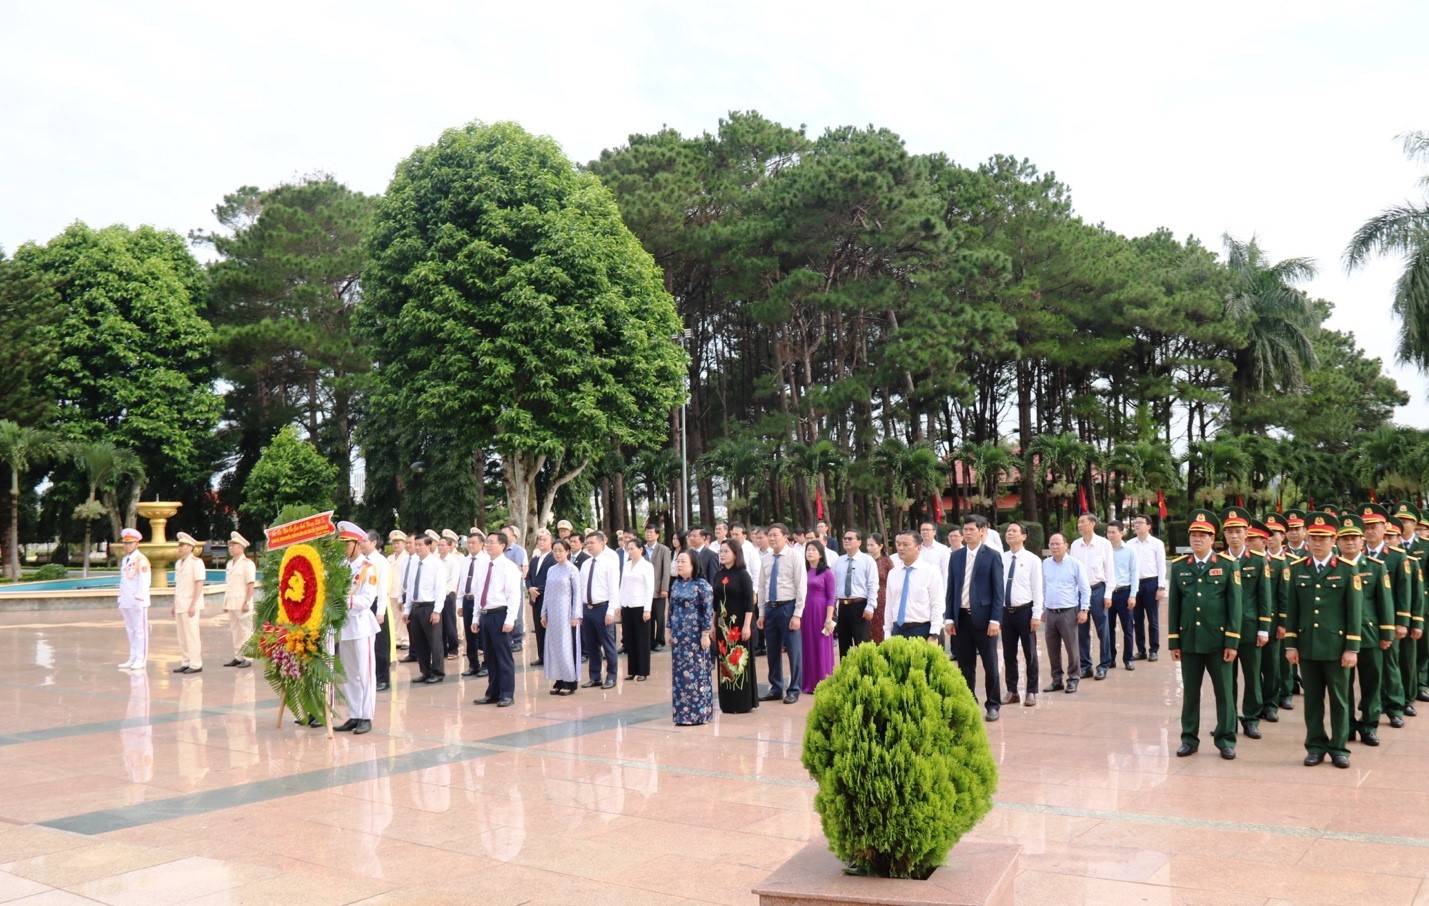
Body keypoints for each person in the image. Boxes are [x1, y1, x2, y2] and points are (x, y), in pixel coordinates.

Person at [1284, 511, 1363, 768]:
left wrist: (1351, 648)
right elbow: (1292, 611)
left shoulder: (1347, 569)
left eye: (1324, 538)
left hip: (1336, 648)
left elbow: (1354, 612)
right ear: (1308, 539)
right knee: (1312, 701)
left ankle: (1339, 747)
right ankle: (1315, 745)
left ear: (1334, 540)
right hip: (1308, 647)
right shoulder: (1297, 570)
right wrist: (1291, 644)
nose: (1318, 543)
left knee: (1340, 701)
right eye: (1314, 538)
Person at [1168, 509, 1242, 760]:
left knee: (1224, 694)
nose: (1197, 539)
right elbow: (1174, 607)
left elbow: (1235, 606)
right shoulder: (1180, 568)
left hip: (1218, 642)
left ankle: (1225, 739)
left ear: (1213, 539)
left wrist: (1232, 641)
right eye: (1194, 535)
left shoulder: (1227, 565)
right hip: (1190, 641)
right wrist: (1174, 641)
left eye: (1203, 535)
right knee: (1190, 693)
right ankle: (1189, 738)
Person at [1335, 513, 1393, 747]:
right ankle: (1347, 725)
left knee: (1372, 682)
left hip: (1369, 634)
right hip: (1339, 636)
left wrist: (1387, 633)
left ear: (1362, 542)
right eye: (1345, 538)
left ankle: (1369, 725)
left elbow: (1384, 603)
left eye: (1354, 538)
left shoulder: (1376, 567)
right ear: (1338, 542)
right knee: (1343, 685)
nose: (1350, 542)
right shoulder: (1333, 567)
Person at [945, 514, 1004, 721]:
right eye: (965, 529)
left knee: (990, 664)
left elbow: (999, 592)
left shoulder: (992, 555)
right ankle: (969, 702)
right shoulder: (956, 556)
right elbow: (951, 588)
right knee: (965, 665)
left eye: (972, 529)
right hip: (961, 619)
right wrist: (949, 618)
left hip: (985, 620)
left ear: (982, 531)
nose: (967, 533)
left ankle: (993, 704)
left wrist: (996, 620)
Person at [1221, 507, 1273, 741]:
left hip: (1251, 628)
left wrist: (1264, 628)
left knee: (1252, 676)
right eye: (1230, 531)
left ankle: (1251, 719)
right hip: (1223, 630)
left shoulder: (1260, 561)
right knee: (1226, 678)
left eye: (1238, 531)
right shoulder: (1218, 561)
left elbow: (1265, 597)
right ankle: (1229, 719)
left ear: (1246, 534)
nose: (1234, 536)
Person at [336, 521, 379, 734]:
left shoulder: (368, 568)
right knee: (350, 674)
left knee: (366, 673)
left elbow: (367, 600)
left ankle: (366, 716)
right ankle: (354, 714)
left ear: (356, 544)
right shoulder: (342, 567)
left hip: (362, 626)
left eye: (346, 543)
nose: (343, 547)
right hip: (345, 627)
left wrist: (341, 601)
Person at [471, 531, 522, 707]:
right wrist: (475, 618)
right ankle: (492, 692)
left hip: (500, 615)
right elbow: (478, 593)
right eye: (487, 542)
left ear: (503, 545)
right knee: (490, 657)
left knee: (503, 657)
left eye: (492, 542)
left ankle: (507, 693)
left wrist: (510, 620)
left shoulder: (508, 567)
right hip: (485, 615)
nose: (488, 545)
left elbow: (514, 596)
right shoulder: (483, 565)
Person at [759, 523, 808, 704]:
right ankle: (776, 687)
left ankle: (794, 688)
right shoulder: (766, 558)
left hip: (788, 607)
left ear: (785, 537)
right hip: (770, 608)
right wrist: (762, 613)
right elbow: (763, 587)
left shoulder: (795, 557)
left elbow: (801, 586)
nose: (771, 538)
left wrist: (797, 614)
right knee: (772, 650)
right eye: (769, 535)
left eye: (774, 535)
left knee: (794, 651)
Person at [1001, 521, 1043, 707]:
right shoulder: (1001, 558)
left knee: (1030, 654)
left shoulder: (1032, 559)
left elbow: (1037, 589)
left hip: (1025, 612)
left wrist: (1036, 615)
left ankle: (1031, 691)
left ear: (1024, 536)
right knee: (1009, 654)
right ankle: (1012, 691)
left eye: (1014, 531)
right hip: (1005, 613)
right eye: (1008, 531)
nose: (1009, 533)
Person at [669, 550, 714, 726]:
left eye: (683, 562)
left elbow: (708, 611)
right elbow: (671, 609)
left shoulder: (702, 585)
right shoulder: (675, 584)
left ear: (693, 564)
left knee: (697, 675)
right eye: (678, 561)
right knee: (680, 675)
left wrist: (705, 634)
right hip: (679, 636)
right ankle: (681, 715)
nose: (679, 565)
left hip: (695, 636)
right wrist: (669, 631)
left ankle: (699, 714)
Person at [714, 539, 758, 713]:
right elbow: (715, 603)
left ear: (735, 553)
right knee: (724, 661)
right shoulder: (718, 575)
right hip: (723, 626)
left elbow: (749, 603)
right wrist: (712, 625)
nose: (722, 554)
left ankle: (742, 702)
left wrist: (747, 625)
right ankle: (727, 702)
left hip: (738, 625)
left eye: (726, 551)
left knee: (739, 661)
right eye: (721, 551)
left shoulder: (743, 575)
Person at [1042, 533, 1090, 694]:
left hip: (1068, 612)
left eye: (1058, 544)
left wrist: (1084, 610)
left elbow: (1084, 589)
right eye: (1052, 544)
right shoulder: (1046, 564)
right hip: (1050, 612)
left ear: (1066, 545)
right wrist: (1042, 609)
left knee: (1072, 648)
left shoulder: (1075, 564)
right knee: (1052, 649)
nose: (1054, 547)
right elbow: (1043, 587)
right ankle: (1057, 680)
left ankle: (1073, 679)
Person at [1070, 513, 1116, 680]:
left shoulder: (1104, 544)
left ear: (1092, 524)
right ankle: (1085, 665)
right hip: (1080, 593)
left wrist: (1108, 594)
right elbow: (1072, 571)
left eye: (1082, 522)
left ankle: (1104, 664)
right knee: (1081, 631)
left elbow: (1110, 570)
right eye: (1078, 522)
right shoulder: (1075, 545)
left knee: (1102, 629)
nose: (1079, 525)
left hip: (1098, 590)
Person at [882, 530, 944, 642]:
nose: (900, 548)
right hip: (897, 630)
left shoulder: (930, 571)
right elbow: (890, 605)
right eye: (899, 544)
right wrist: (887, 632)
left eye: (906, 545)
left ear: (918, 548)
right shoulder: (893, 573)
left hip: (922, 630)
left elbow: (937, 604)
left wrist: (934, 634)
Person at [579, 531, 621, 690]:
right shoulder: (585, 564)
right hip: (587, 609)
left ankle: (611, 676)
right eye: (587, 543)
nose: (589, 545)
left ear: (602, 543)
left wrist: (611, 611)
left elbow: (613, 589)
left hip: (602, 608)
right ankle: (595, 676)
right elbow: (582, 588)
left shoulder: (609, 563)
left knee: (608, 644)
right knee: (591, 645)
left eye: (592, 543)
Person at [540, 539, 583, 694]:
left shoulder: (572, 570)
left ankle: (569, 682)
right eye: (555, 550)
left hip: (566, 615)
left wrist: (575, 615)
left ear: (567, 551)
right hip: (552, 615)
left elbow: (578, 593)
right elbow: (547, 593)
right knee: (554, 647)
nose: (557, 553)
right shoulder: (551, 569)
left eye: (560, 550)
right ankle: (558, 679)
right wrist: (543, 612)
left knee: (566, 647)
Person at [401, 533, 444, 684]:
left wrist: (437, 611)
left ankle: (437, 672)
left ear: (429, 546)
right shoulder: (413, 563)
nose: (417, 548)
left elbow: (440, 589)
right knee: (419, 643)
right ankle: (425, 671)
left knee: (434, 642)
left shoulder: (436, 564)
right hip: (416, 607)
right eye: (416, 544)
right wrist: (407, 610)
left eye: (420, 545)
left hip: (430, 607)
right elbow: (410, 589)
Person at [1125, 514, 1167, 661]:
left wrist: (1161, 587)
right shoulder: (1129, 544)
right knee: (1137, 619)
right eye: (1135, 523)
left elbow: (1161, 566)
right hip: (1134, 585)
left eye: (1140, 523)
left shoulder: (1156, 543)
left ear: (1149, 526)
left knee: (1153, 619)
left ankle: (1153, 649)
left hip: (1151, 583)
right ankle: (1141, 650)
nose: (1137, 525)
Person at [832, 528, 879, 657]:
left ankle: (864, 674)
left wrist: (870, 606)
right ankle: (846, 674)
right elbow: (835, 585)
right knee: (844, 645)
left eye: (850, 538)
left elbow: (873, 585)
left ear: (859, 542)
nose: (846, 541)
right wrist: (833, 607)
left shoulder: (867, 560)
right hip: (842, 606)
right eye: (845, 539)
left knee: (861, 644)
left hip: (860, 606)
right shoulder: (839, 561)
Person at [800, 538, 836, 694]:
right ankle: (808, 682)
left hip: (820, 612)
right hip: (805, 612)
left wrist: (828, 619)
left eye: (814, 550)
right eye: (808, 549)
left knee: (821, 646)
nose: (810, 552)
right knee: (806, 645)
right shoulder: (802, 571)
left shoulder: (827, 572)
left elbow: (831, 597)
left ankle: (823, 682)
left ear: (821, 554)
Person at [362, 530, 394, 692]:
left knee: (381, 644)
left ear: (374, 543)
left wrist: (380, 611)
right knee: (367, 644)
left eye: (365, 541)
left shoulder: (380, 561)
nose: (362, 544)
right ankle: (372, 677)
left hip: (376, 605)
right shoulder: (361, 561)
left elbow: (383, 588)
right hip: (363, 605)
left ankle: (383, 678)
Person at [619, 538, 654, 682]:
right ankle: (632, 670)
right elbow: (622, 585)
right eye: (628, 548)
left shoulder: (647, 565)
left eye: (633, 548)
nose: (630, 551)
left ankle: (643, 670)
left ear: (641, 549)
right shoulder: (627, 565)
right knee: (630, 638)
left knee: (642, 639)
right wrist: (619, 605)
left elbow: (649, 588)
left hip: (640, 606)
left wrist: (647, 609)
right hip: (627, 605)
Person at [455, 530, 489, 678]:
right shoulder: (466, 560)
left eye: (474, 543)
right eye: (469, 543)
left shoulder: (487, 560)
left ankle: (486, 665)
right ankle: (473, 664)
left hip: (480, 601)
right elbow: (462, 582)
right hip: (467, 600)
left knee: (483, 635)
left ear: (482, 544)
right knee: (470, 635)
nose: (471, 545)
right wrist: (460, 603)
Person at [116, 527, 151, 670]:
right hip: (126, 600)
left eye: (130, 543)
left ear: (137, 544)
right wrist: (120, 597)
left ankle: (141, 659)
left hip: (137, 601)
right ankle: (133, 657)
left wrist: (140, 599)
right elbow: (124, 580)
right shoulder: (126, 560)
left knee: (140, 630)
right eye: (126, 543)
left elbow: (144, 581)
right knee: (130, 630)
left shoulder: (141, 560)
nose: (127, 545)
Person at [172, 532, 205, 675]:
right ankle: (186, 661)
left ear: (190, 547)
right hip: (180, 604)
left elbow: (199, 584)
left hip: (191, 604)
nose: (179, 548)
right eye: (179, 545)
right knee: (182, 636)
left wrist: (193, 604)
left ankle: (196, 663)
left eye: (182, 545)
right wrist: (174, 604)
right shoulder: (179, 563)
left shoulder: (196, 563)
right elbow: (178, 586)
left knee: (192, 635)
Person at [221, 532, 255, 669]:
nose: (230, 547)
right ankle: (238, 656)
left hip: (242, 603)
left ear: (241, 548)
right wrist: (225, 603)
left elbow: (250, 584)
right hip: (232, 603)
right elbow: (229, 585)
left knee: (246, 631)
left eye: (233, 545)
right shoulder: (230, 564)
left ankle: (248, 657)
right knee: (235, 631)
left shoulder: (248, 564)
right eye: (230, 545)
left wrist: (247, 601)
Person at [1107, 520, 1137, 670]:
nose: (1110, 535)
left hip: (1124, 592)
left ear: (1121, 533)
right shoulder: (1104, 550)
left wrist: (1133, 595)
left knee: (1128, 628)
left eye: (1113, 532)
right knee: (1108, 628)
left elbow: (1134, 573)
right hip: (1108, 594)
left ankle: (1128, 658)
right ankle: (1110, 658)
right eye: (1108, 532)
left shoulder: (1130, 551)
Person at [526, 530, 554, 666]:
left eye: (544, 540)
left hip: (546, 598)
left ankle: (551, 656)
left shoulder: (553, 558)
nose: (541, 542)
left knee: (548, 627)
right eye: (539, 539)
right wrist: (530, 588)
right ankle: (542, 655)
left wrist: (538, 590)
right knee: (538, 628)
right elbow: (529, 577)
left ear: (551, 542)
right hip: (535, 598)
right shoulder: (535, 559)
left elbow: (552, 579)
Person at [644, 524, 672, 652]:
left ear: (657, 535)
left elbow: (666, 570)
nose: (648, 534)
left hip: (658, 589)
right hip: (644, 590)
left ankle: (660, 640)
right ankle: (648, 640)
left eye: (651, 532)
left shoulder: (664, 549)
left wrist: (664, 588)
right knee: (647, 616)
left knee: (659, 617)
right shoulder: (642, 549)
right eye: (647, 532)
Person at [436, 529, 462, 660]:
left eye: (442, 545)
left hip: (448, 595)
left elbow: (454, 580)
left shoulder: (453, 561)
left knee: (449, 623)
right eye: (438, 545)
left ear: (450, 546)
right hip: (437, 596)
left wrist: (443, 592)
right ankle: (443, 649)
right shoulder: (435, 560)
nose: (439, 547)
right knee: (439, 624)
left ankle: (453, 649)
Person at [387, 530, 412, 655]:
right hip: (391, 591)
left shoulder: (407, 557)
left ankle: (406, 639)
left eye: (399, 543)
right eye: (394, 543)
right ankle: (397, 638)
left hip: (402, 591)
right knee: (394, 617)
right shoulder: (390, 558)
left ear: (404, 543)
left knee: (403, 616)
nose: (396, 545)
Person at [867, 532, 894, 644]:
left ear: (881, 546)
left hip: (883, 600)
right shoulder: (866, 561)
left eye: (872, 545)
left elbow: (892, 582)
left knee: (882, 630)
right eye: (867, 545)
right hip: (867, 600)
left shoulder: (887, 562)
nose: (869, 548)